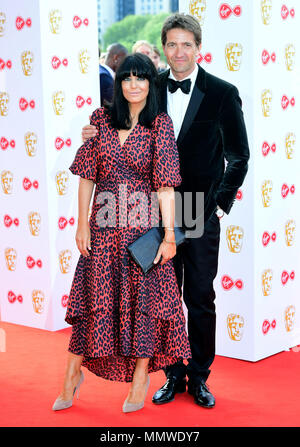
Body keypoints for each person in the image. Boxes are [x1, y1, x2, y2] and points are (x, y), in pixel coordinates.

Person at [81, 13, 250, 409]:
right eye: (171, 44)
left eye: (186, 44)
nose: (178, 52)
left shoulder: (223, 92)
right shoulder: (148, 84)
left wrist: (220, 205)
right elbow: (115, 119)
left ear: (198, 47)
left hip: (197, 209)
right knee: (161, 297)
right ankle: (172, 374)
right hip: (149, 211)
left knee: (200, 297)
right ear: (163, 47)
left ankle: (200, 376)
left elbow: (238, 156)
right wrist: (92, 130)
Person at [52, 53, 191, 413]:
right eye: (127, 78)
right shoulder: (99, 120)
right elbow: (86, 176)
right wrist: (81, 223)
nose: (133, 85)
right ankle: (71, 375)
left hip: (142, 234)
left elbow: (165, 186)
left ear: (150, 83)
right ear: (119, 83)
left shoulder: (160, 124)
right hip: (102, 229)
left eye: (141, 78)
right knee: (93, 302)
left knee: (144, 305)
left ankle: (141, 376)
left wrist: (170, 237)